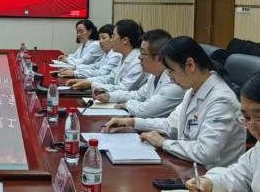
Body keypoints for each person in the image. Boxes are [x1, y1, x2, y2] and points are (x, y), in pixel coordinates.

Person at [103, 36, 244, 168]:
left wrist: (164, 143)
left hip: (210, 176)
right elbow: (170, 124)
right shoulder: (193, 89)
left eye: (171, 71)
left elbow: (205, 152)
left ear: (190, 65)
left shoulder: (221, 100)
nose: (170, 78)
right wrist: (132, 122)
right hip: (189, 167)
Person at [93, 29, 183, 118]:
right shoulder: (153, 76)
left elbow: (146, 111)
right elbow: (138, 95)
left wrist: (126, 105)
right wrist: (110, 96)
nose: (139, 57)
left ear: (159, 58)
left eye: (143, 52)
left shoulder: (174, 81)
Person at [66, 19, 146, 92]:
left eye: (113, 36)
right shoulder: (124, 57)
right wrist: (87, 81)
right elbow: (111, 78)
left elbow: (123, 89)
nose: (111, 40)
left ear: (125, 40)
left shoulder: (137, 61)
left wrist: (91, 84)